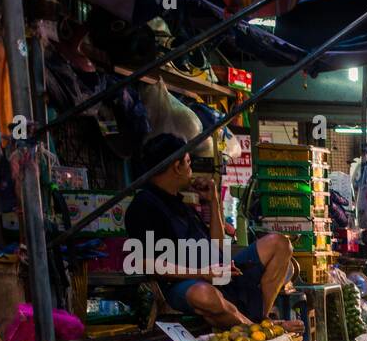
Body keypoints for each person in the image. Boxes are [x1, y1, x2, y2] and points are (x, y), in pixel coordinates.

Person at [124, 133, 293, 327]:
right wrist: (202, 273)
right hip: (184, 283)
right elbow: (143, 262)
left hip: (218, 271)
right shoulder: (144, 205)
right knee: (205, 296)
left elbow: (217, 247)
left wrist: (213, 202)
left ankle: (261, 320)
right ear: (176, 167)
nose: (191, 170)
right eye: (188, 163)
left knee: (280, 244)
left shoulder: (180, 204)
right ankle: (257, 329)